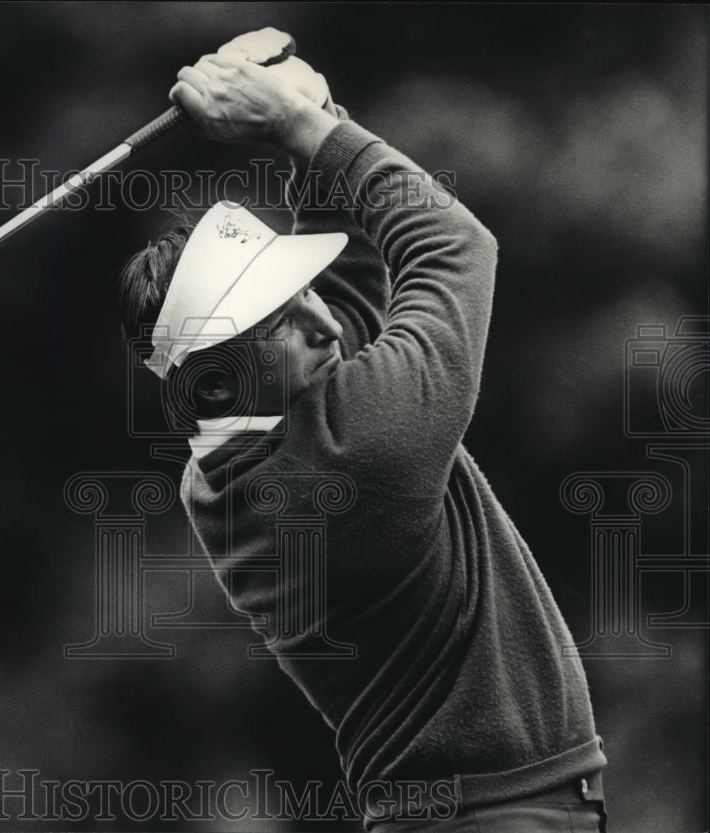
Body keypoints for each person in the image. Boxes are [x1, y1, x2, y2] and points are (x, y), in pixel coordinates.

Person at [117, 29, 608, 832]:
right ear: (217, 381)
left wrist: (309, 112)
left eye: (297, 288)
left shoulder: (234, 455)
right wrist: (299, 128)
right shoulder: (352, 454)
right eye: (278, 318)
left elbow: (344, 303)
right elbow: (456, 247)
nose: (321, 321)